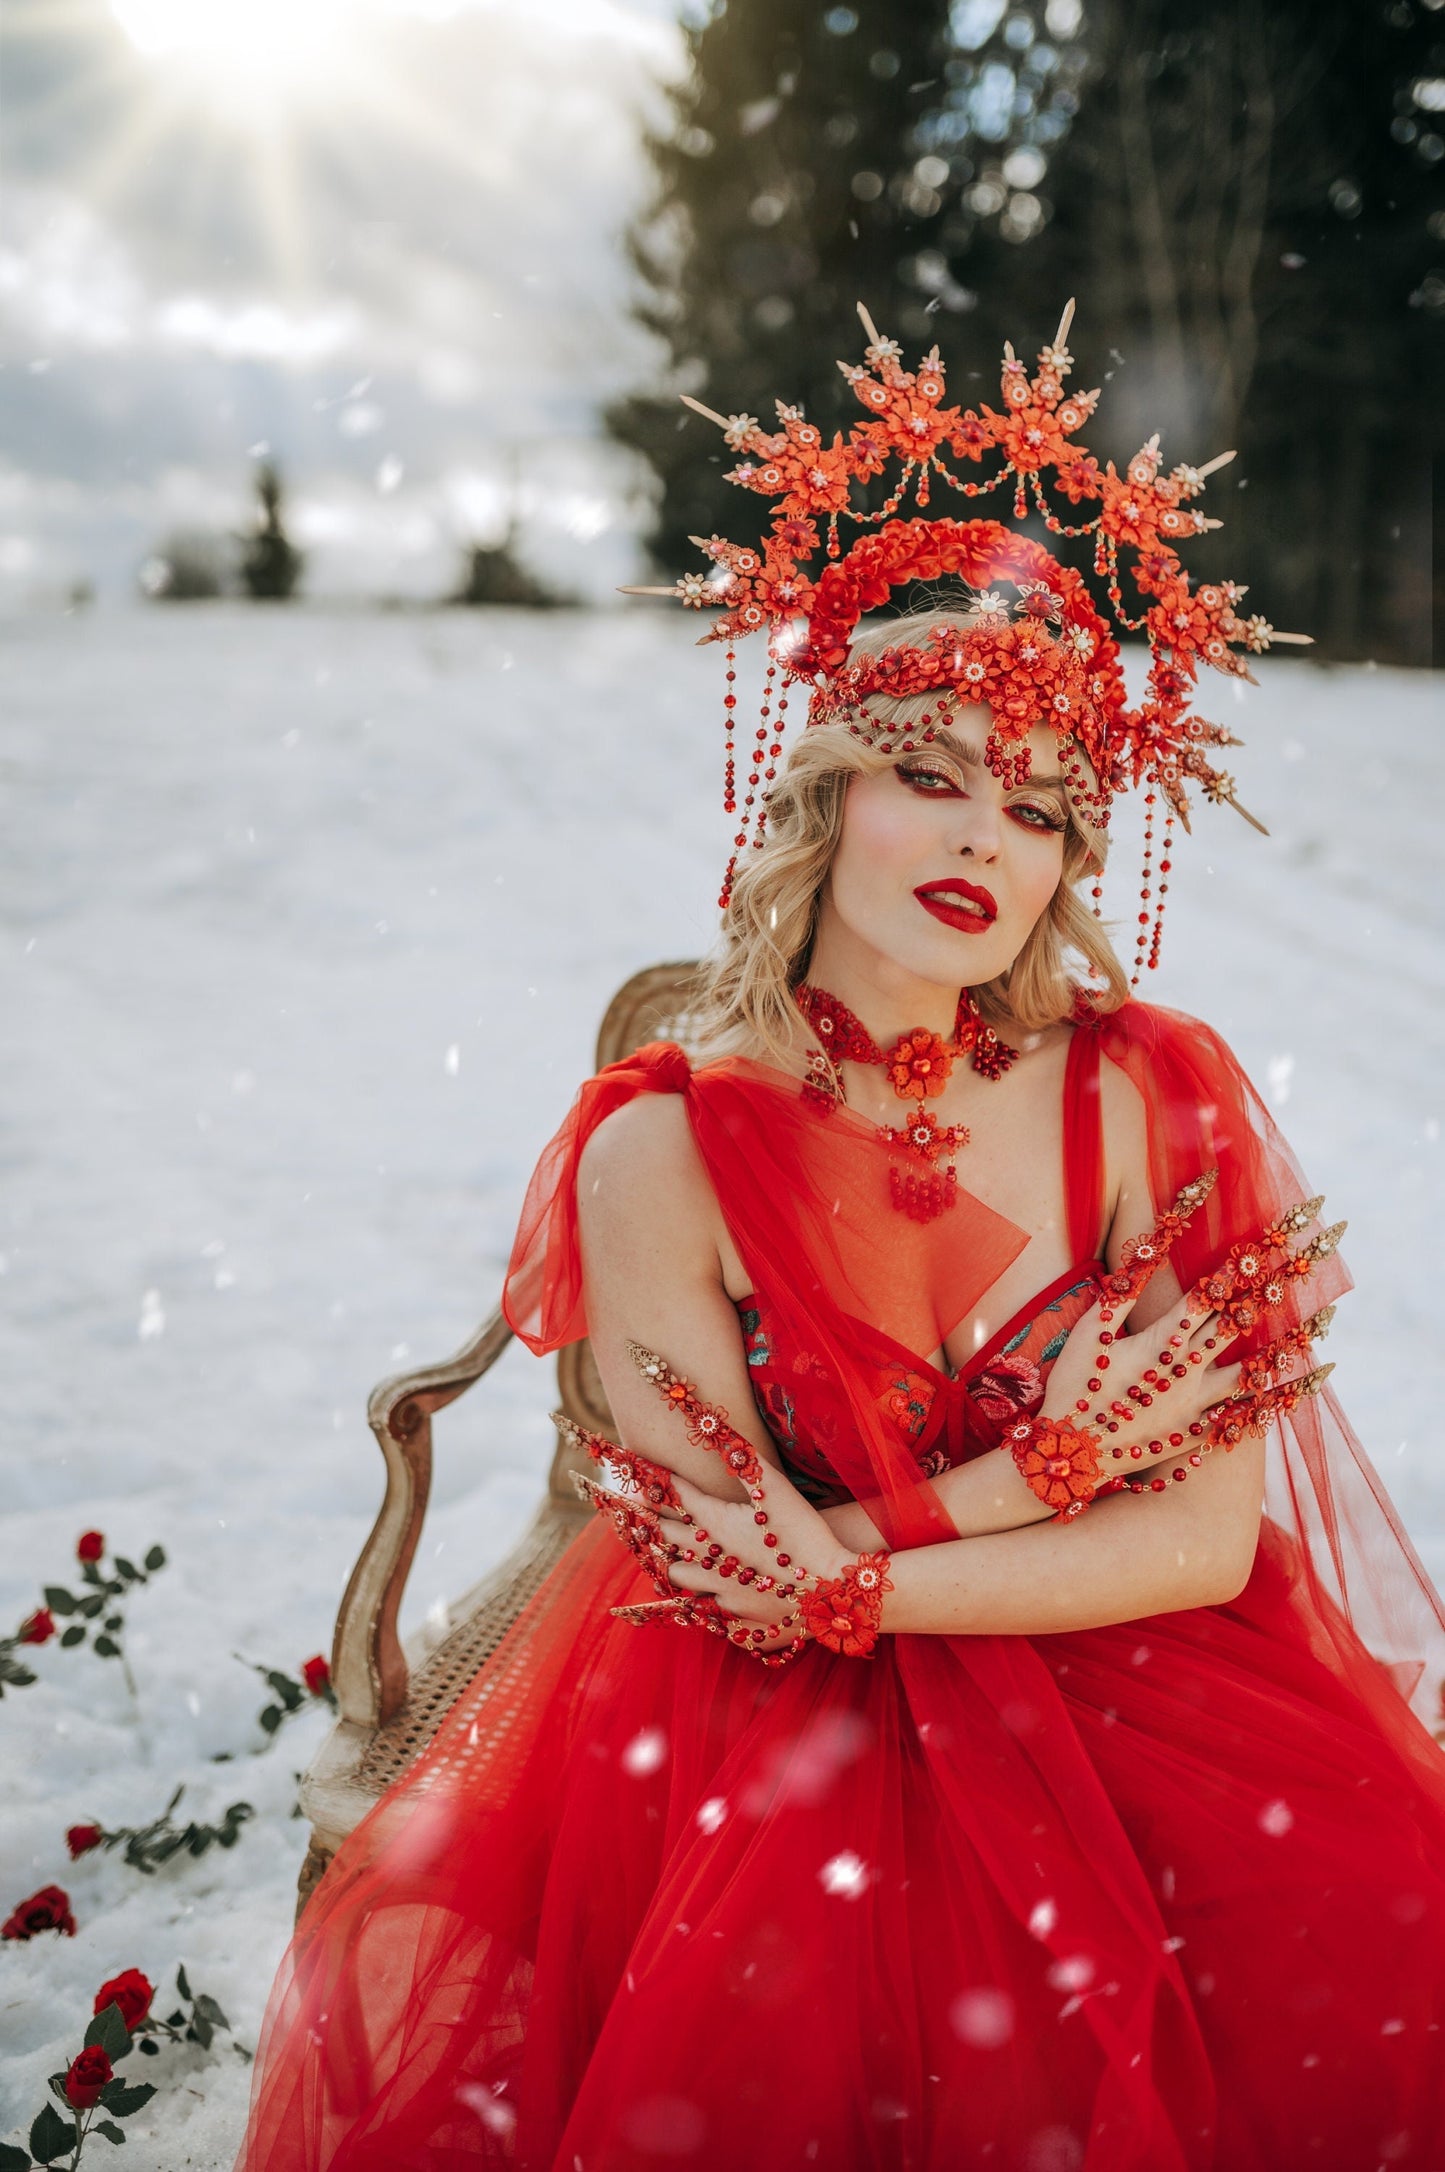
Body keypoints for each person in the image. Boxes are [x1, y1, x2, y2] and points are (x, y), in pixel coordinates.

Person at [230, 311, 1445, 2171]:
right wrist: (1049, 1467)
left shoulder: (1148, 1096)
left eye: (1039, 809)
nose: (989, 838)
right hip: (760, 1714)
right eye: (931, 774)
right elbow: (725, 1571)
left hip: (1135, 1657)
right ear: (823, 798)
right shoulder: (663, 1148)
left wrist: (882, 1555)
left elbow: (1196, 1543)